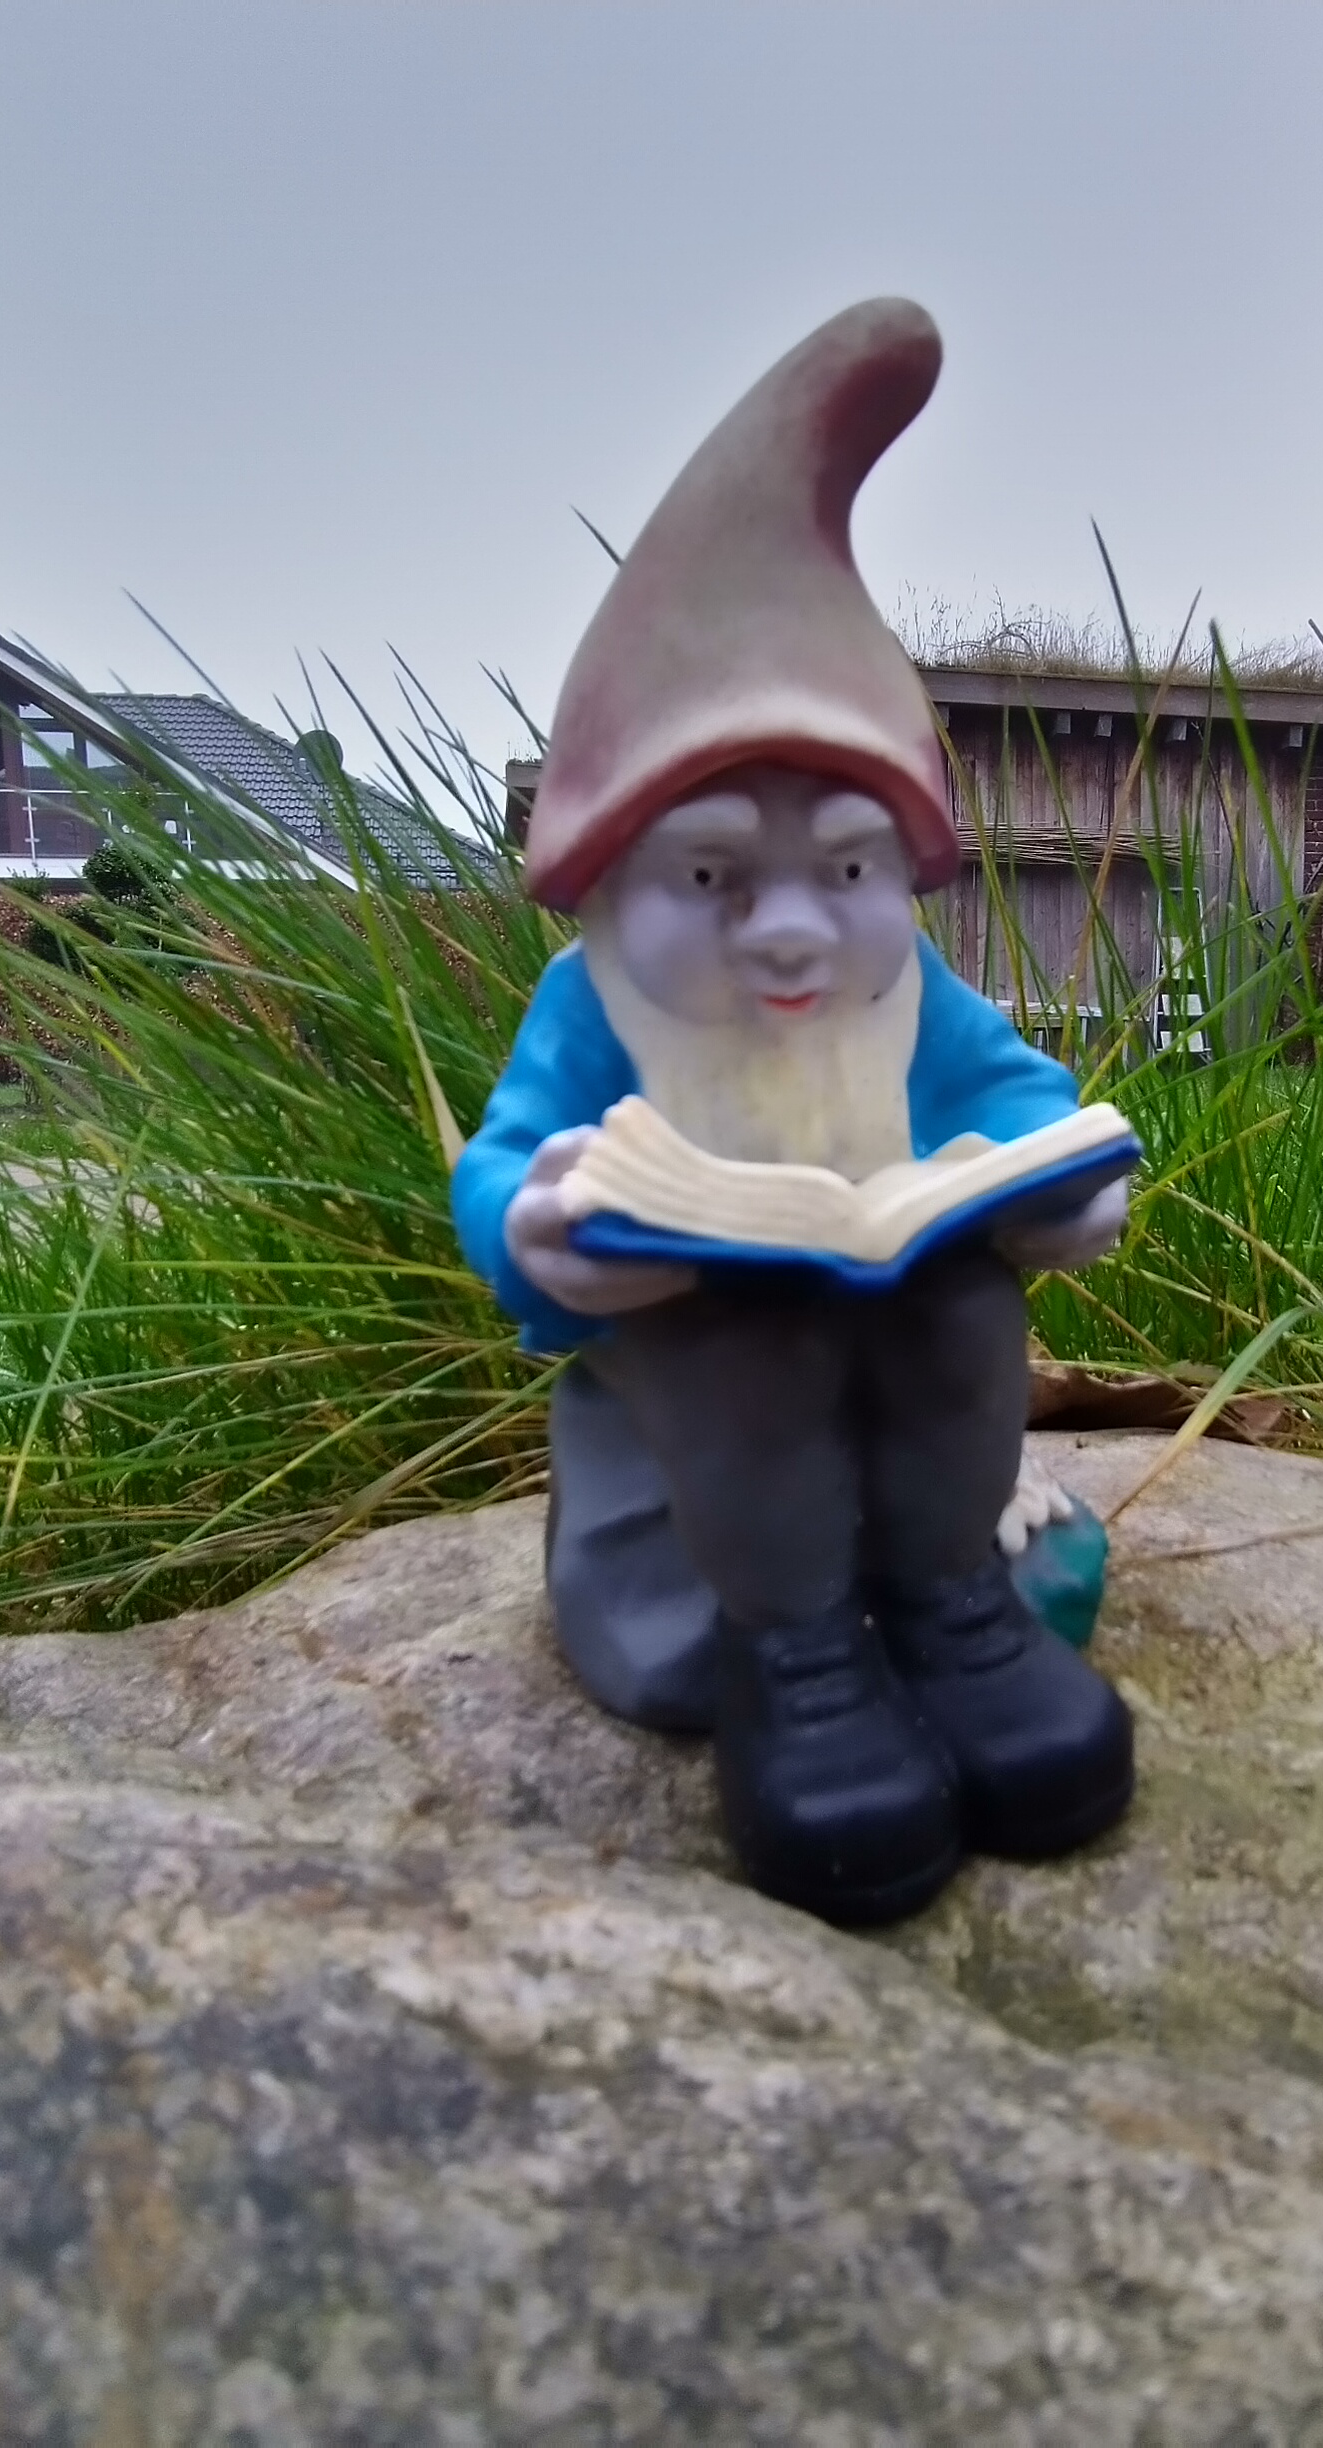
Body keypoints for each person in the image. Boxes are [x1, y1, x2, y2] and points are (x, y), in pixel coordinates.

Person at [451, 299, 1134, 1926]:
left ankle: (956, 1610)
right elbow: (500, 1164)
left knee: (960, 1299)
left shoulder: (911, 1003)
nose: (787, 932)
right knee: (741, 1334)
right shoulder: (595, 1011)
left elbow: (1022, 1099)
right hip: (692, 1486)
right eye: (710, 876)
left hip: (919, 1443)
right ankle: (804, 1663)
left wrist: (1053, 1180)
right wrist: (544, 1227)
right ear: (610, 880)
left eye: (844, 868)